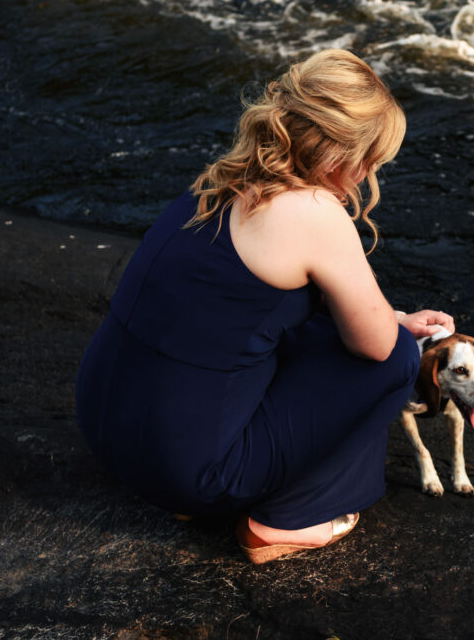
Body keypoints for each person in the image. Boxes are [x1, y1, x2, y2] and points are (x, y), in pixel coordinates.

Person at [75, 49, 453, 564]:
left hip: (104, 428)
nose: (368, 174)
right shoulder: (313, 211)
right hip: (185, 472)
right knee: (397, 359)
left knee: (301, 323)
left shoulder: (218, 179)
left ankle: (201, 487)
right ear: (341, 156)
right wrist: (395, 328)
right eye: (371, 160)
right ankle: (284, 519)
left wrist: (397, 317)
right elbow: (376, 345)